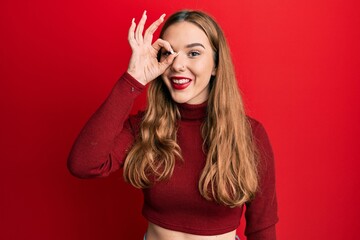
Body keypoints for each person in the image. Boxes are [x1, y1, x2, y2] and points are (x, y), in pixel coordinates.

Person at [67, 10, 278, 240]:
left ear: (217, 65)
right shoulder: (145, 126)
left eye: (194, 53)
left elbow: (262, 227)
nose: (177, 65)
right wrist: (133, 78)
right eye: (169, 53)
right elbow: (83, 164)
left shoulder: (249, 134)